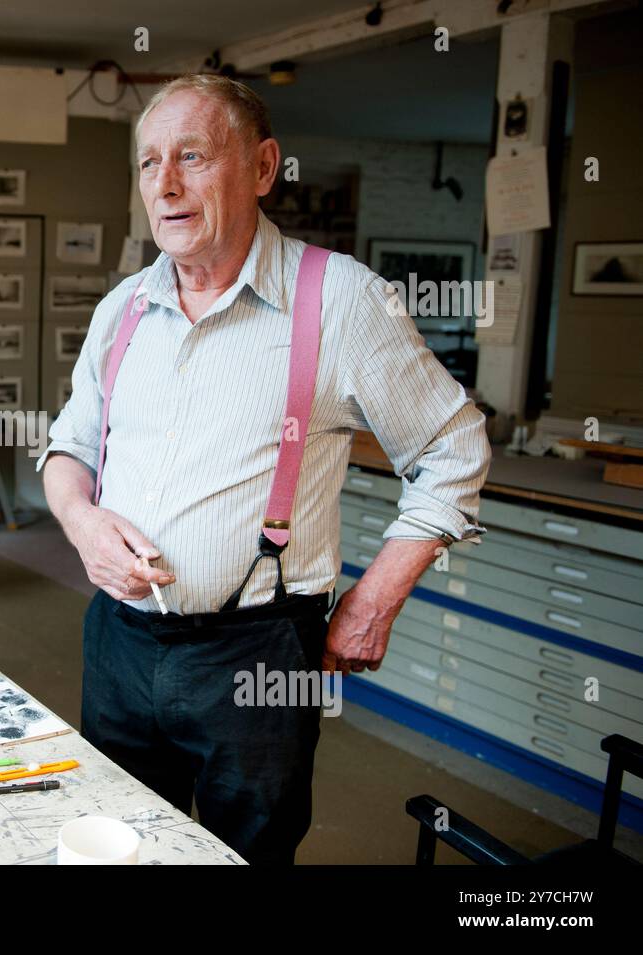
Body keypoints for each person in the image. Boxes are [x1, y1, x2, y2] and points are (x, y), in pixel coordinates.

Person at [39, 74, 491, 864]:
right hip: (118, 640)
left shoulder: (343, 300)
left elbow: (455, 450)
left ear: (262, 167)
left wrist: (374, 597)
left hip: (256, 656)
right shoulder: (123, 309)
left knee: (245, 855)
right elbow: (68, 450)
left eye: (191, 157)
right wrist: (82, 522)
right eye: (149, 163)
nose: (166, 185)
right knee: (114, 845)